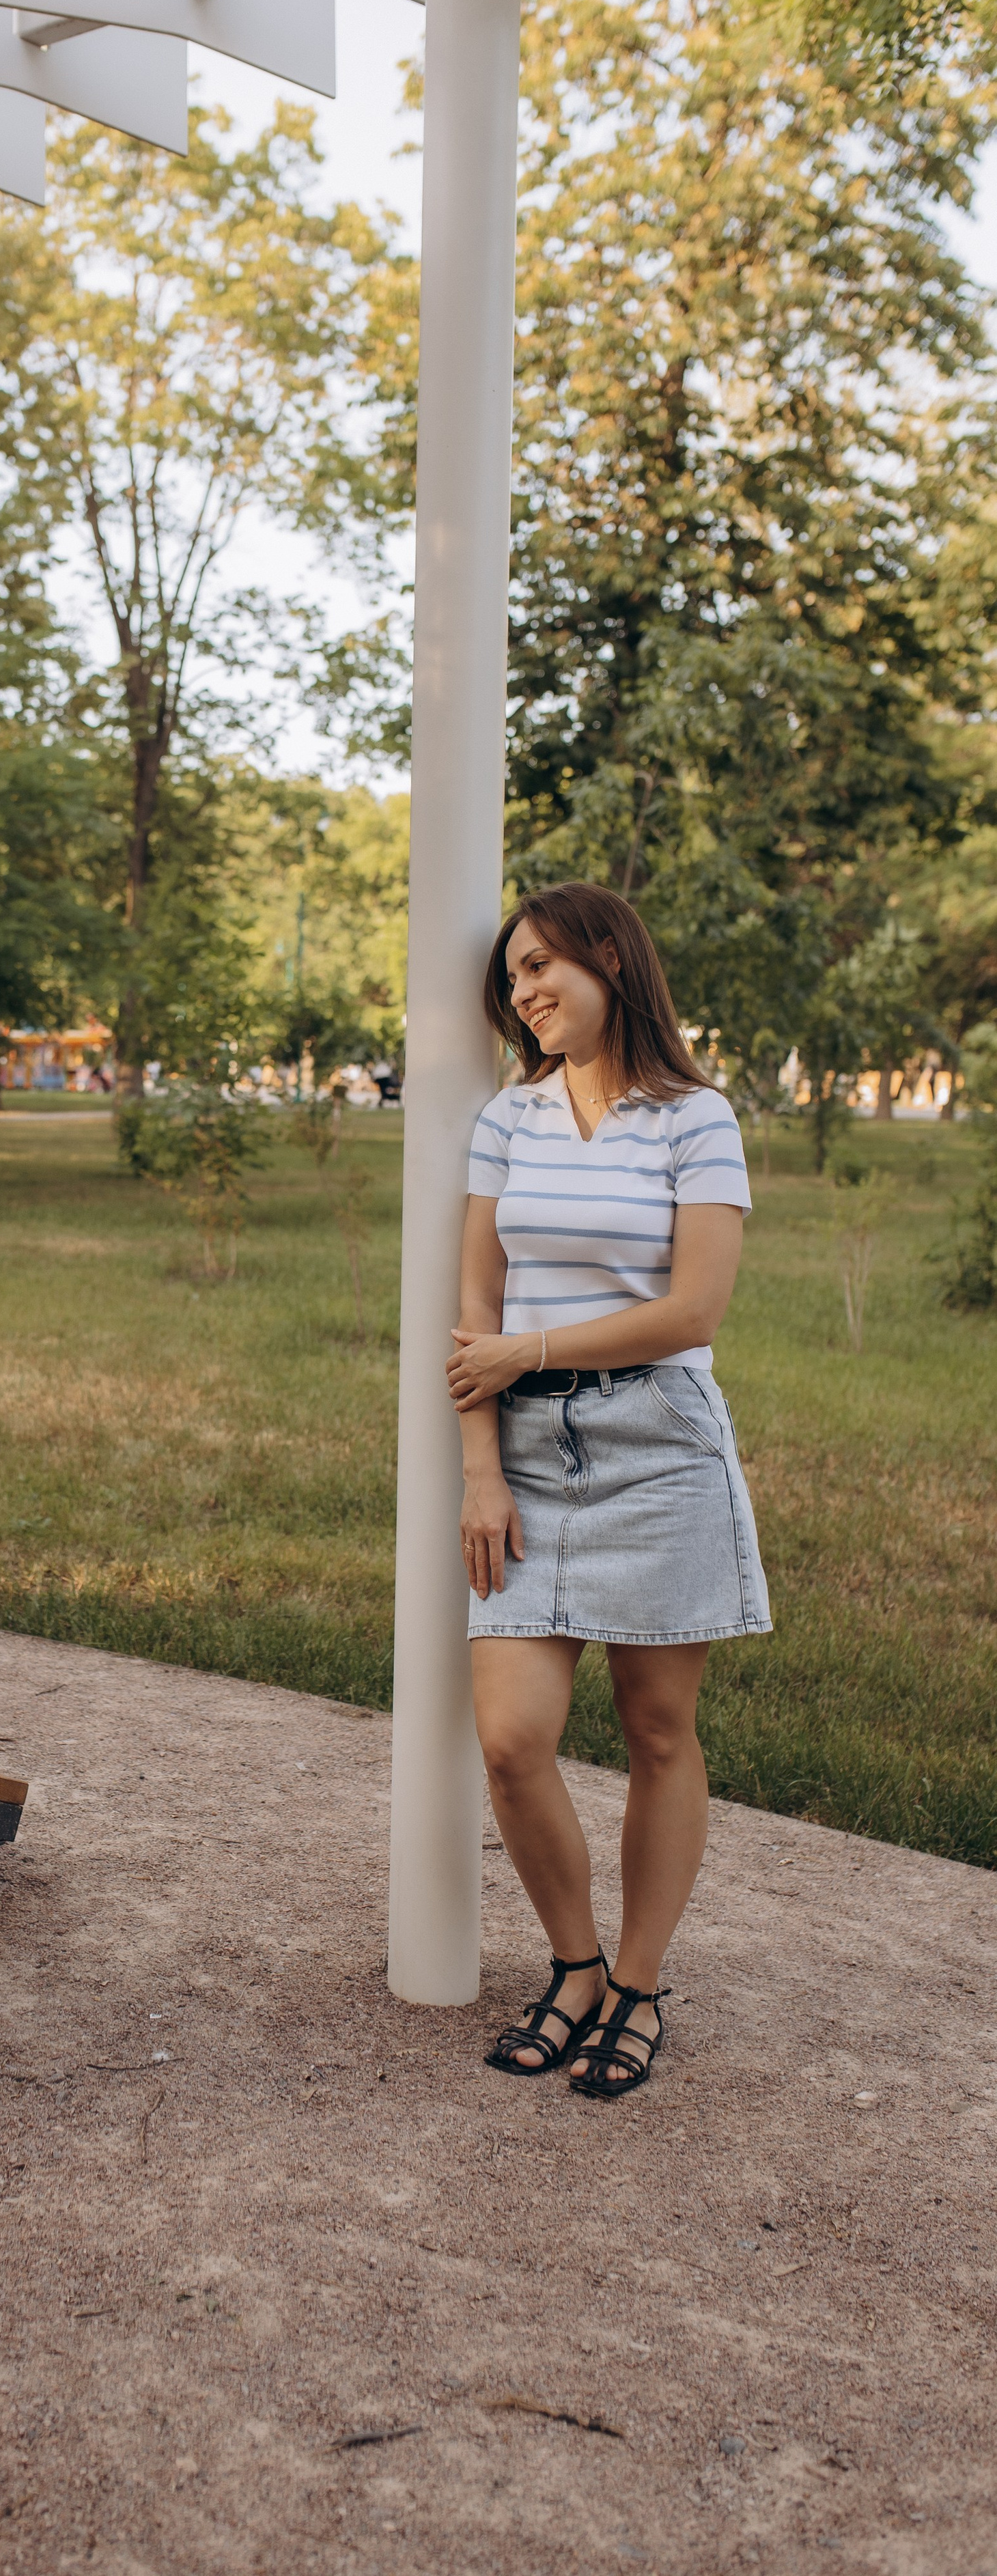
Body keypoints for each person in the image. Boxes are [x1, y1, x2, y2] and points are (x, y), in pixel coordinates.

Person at [447, 884, 770, 2099]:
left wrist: (532, 1352)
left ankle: (638, 1986)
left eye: (545, 966)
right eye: (514, 975)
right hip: (525, 1455)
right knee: (514, 1739)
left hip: (658, 1440)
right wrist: (482, 1470)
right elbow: (474, 1312)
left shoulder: (696, 1119)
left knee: (655, 1730)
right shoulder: (509, 1120)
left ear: (612, 963)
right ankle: (573, 1967)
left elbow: (695, 1310)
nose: (527, 989)